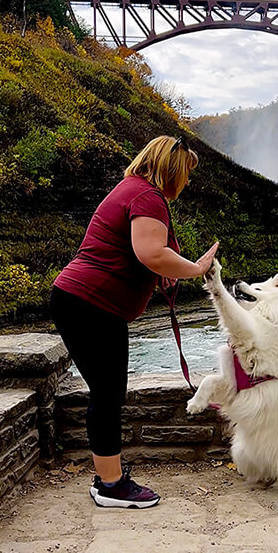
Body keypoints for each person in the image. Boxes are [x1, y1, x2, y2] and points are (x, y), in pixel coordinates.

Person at [50, 135, 218, 509]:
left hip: (82, 301)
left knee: (107, 390)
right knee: (108, 392)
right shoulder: (147, 196)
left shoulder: (133, 189)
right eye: (185, 174)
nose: (187, 182)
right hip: (90, 304)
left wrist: (160, 272)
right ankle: (110, 486)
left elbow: (134, 253)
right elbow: (152, 253)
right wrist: (196, 268)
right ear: (171, 170)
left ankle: (107, 478)